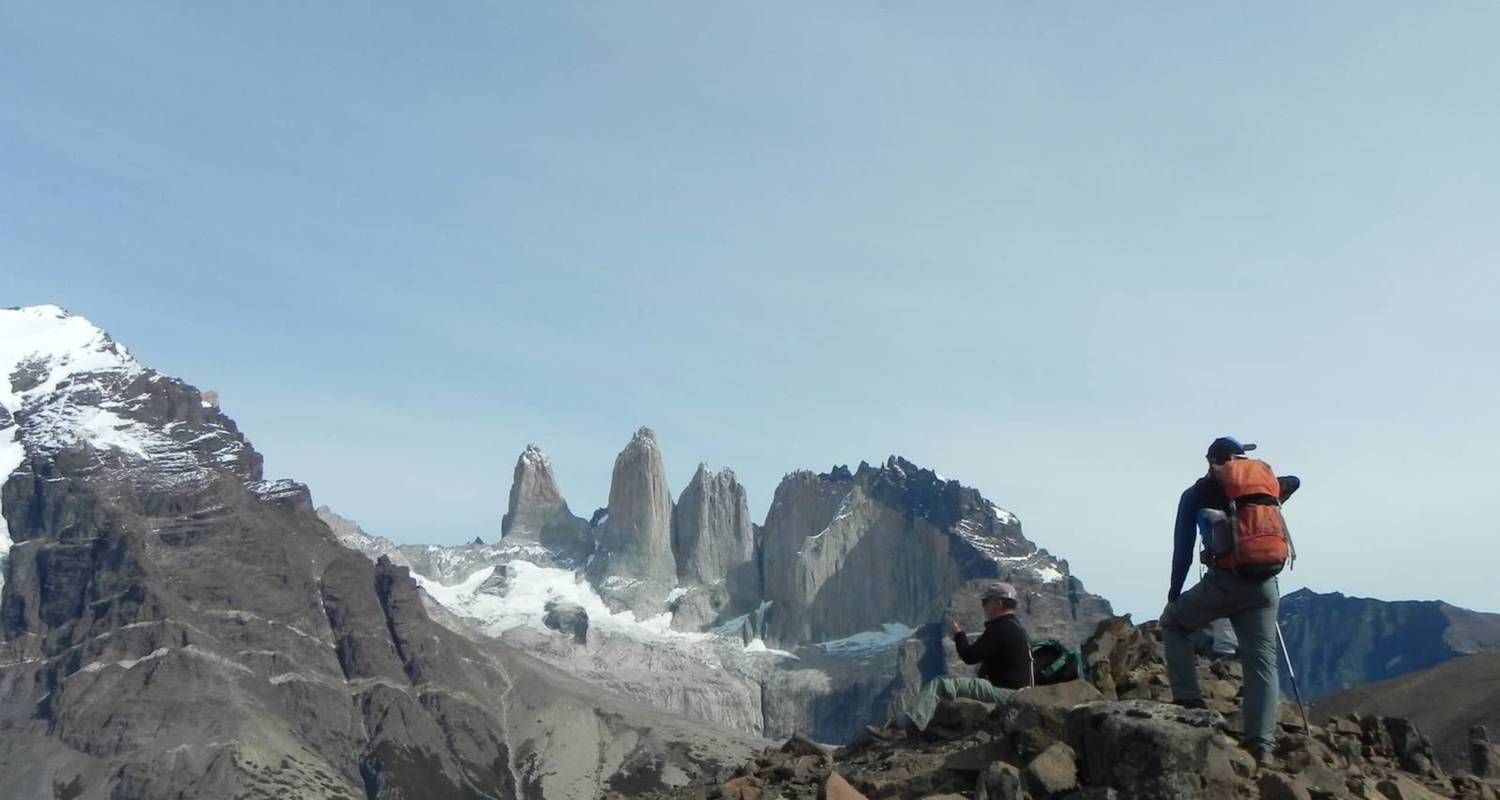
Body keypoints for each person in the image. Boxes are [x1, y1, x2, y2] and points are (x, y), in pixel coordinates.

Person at [1161, 436, 1300, 764]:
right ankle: (1261, 746)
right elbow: (1295, 482)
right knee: (1262, 661)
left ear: (1210, 460)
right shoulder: (1266, 489)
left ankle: (1189, 702)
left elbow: (1182, 552)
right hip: (1265, 584)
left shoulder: (1196, 495)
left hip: (1225, 581)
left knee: (1173, 623)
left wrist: (1174, 594)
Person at [890, 582, 1033, 733]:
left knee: (941, 684)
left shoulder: (1001, 628)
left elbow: (969, 656)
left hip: (1006, 694)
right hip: (1018, 693)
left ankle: (911, 723)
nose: (983, 606)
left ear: (998, 603)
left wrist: (958, 635)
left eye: (985, 602)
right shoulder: (1015, 627)